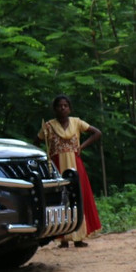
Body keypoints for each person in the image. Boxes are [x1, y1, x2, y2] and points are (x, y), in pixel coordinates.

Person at [37, 94, 102, 247]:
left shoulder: (77, 122)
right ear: (55, 109)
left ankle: (79, 236)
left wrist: (81, 147)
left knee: (79, 195)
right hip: (57, 164)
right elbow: (37, 140)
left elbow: (97, 133)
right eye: (59, 105)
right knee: (61, 198)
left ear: (70, 108)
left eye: (65, 105)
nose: (63, 108)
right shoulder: (48, 126)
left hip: (75, 163)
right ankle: (63, 237)